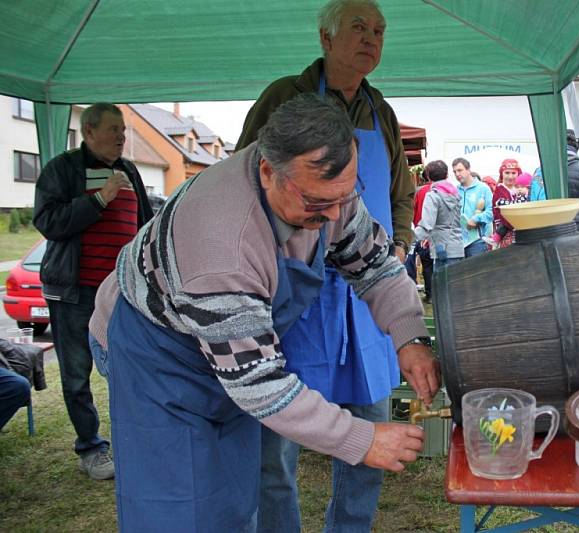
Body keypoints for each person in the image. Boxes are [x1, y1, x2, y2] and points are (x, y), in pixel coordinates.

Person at [87, 94, 439, 533]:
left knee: (235, 496)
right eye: (316, 204)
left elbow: (375, 263)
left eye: (344, 196)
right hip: (155, 353)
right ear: (269, 170)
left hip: (225, 352)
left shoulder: (325, 187)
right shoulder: (220, 241)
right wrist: (360, 439)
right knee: (183, 511)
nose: (334, 215)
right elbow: (259, 384)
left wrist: (410, 337)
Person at [235, 1, 416, 530]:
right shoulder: (283, 98)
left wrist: (399, 248)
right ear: (325, 36)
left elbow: (403, 194)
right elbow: (248, 181)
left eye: (379, 31)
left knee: (373, 427)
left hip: (368, 294)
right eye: (358, 27)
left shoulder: (380, 111)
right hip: (299, 291)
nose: (371, 39)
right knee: (279, 436)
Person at [32, 102, 154, 480]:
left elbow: (145, 225)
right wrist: (99, 200)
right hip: (74, 292)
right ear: (89, 132)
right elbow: (47, 221)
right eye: (113, 129)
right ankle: (91, 449)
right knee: (76, 375)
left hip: (122, 292)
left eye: (123, 129)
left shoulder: (129, 170)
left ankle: (134, 442)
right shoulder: (64, 169)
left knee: (129, 368)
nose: (121, 136)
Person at [413, 160, 464, 272]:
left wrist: (408, 239)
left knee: (442, 287)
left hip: (441, 249)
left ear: (428, 178)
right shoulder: (455, 193)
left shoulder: (432, 196)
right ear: (446, 175)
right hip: (457, 246)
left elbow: (427, 225)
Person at [453, 157, 493, 257]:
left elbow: (492, 211)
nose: (457, 174)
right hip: (458, 242)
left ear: (468, 169)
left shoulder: (483, 188)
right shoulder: (455, 190)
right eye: (454, 172)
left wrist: (476, 219)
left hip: (477, 242)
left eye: (460, 170)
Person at [409, 169, 434, 301]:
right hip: (435, 234)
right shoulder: (448, 190)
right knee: (431, 264)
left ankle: (424, 295)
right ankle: (432, 294)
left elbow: (412, 210)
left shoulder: (419, 191)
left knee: (417, 264)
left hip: (419, 231)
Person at [491, 159, 528, 248]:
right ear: (501, 174)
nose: (510, 176)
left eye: (513, 173)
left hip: (521, 234)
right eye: (507, 173)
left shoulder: (522, 191)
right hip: (505, 235)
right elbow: (506, 214)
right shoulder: (499, 190)